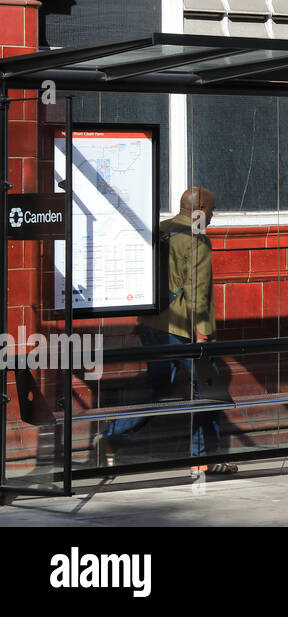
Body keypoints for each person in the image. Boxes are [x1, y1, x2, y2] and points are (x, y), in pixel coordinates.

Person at [95, 187, 237, 475]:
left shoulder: (161, 230)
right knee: (209, 388)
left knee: (159, 390)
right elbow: (198, 292)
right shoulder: (198, 240)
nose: (211, 218)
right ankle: (201, 459)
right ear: (201, 212)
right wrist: (202, 334)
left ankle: (112, 437)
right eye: (211, 212)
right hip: (183, 328)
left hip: (152, 324)